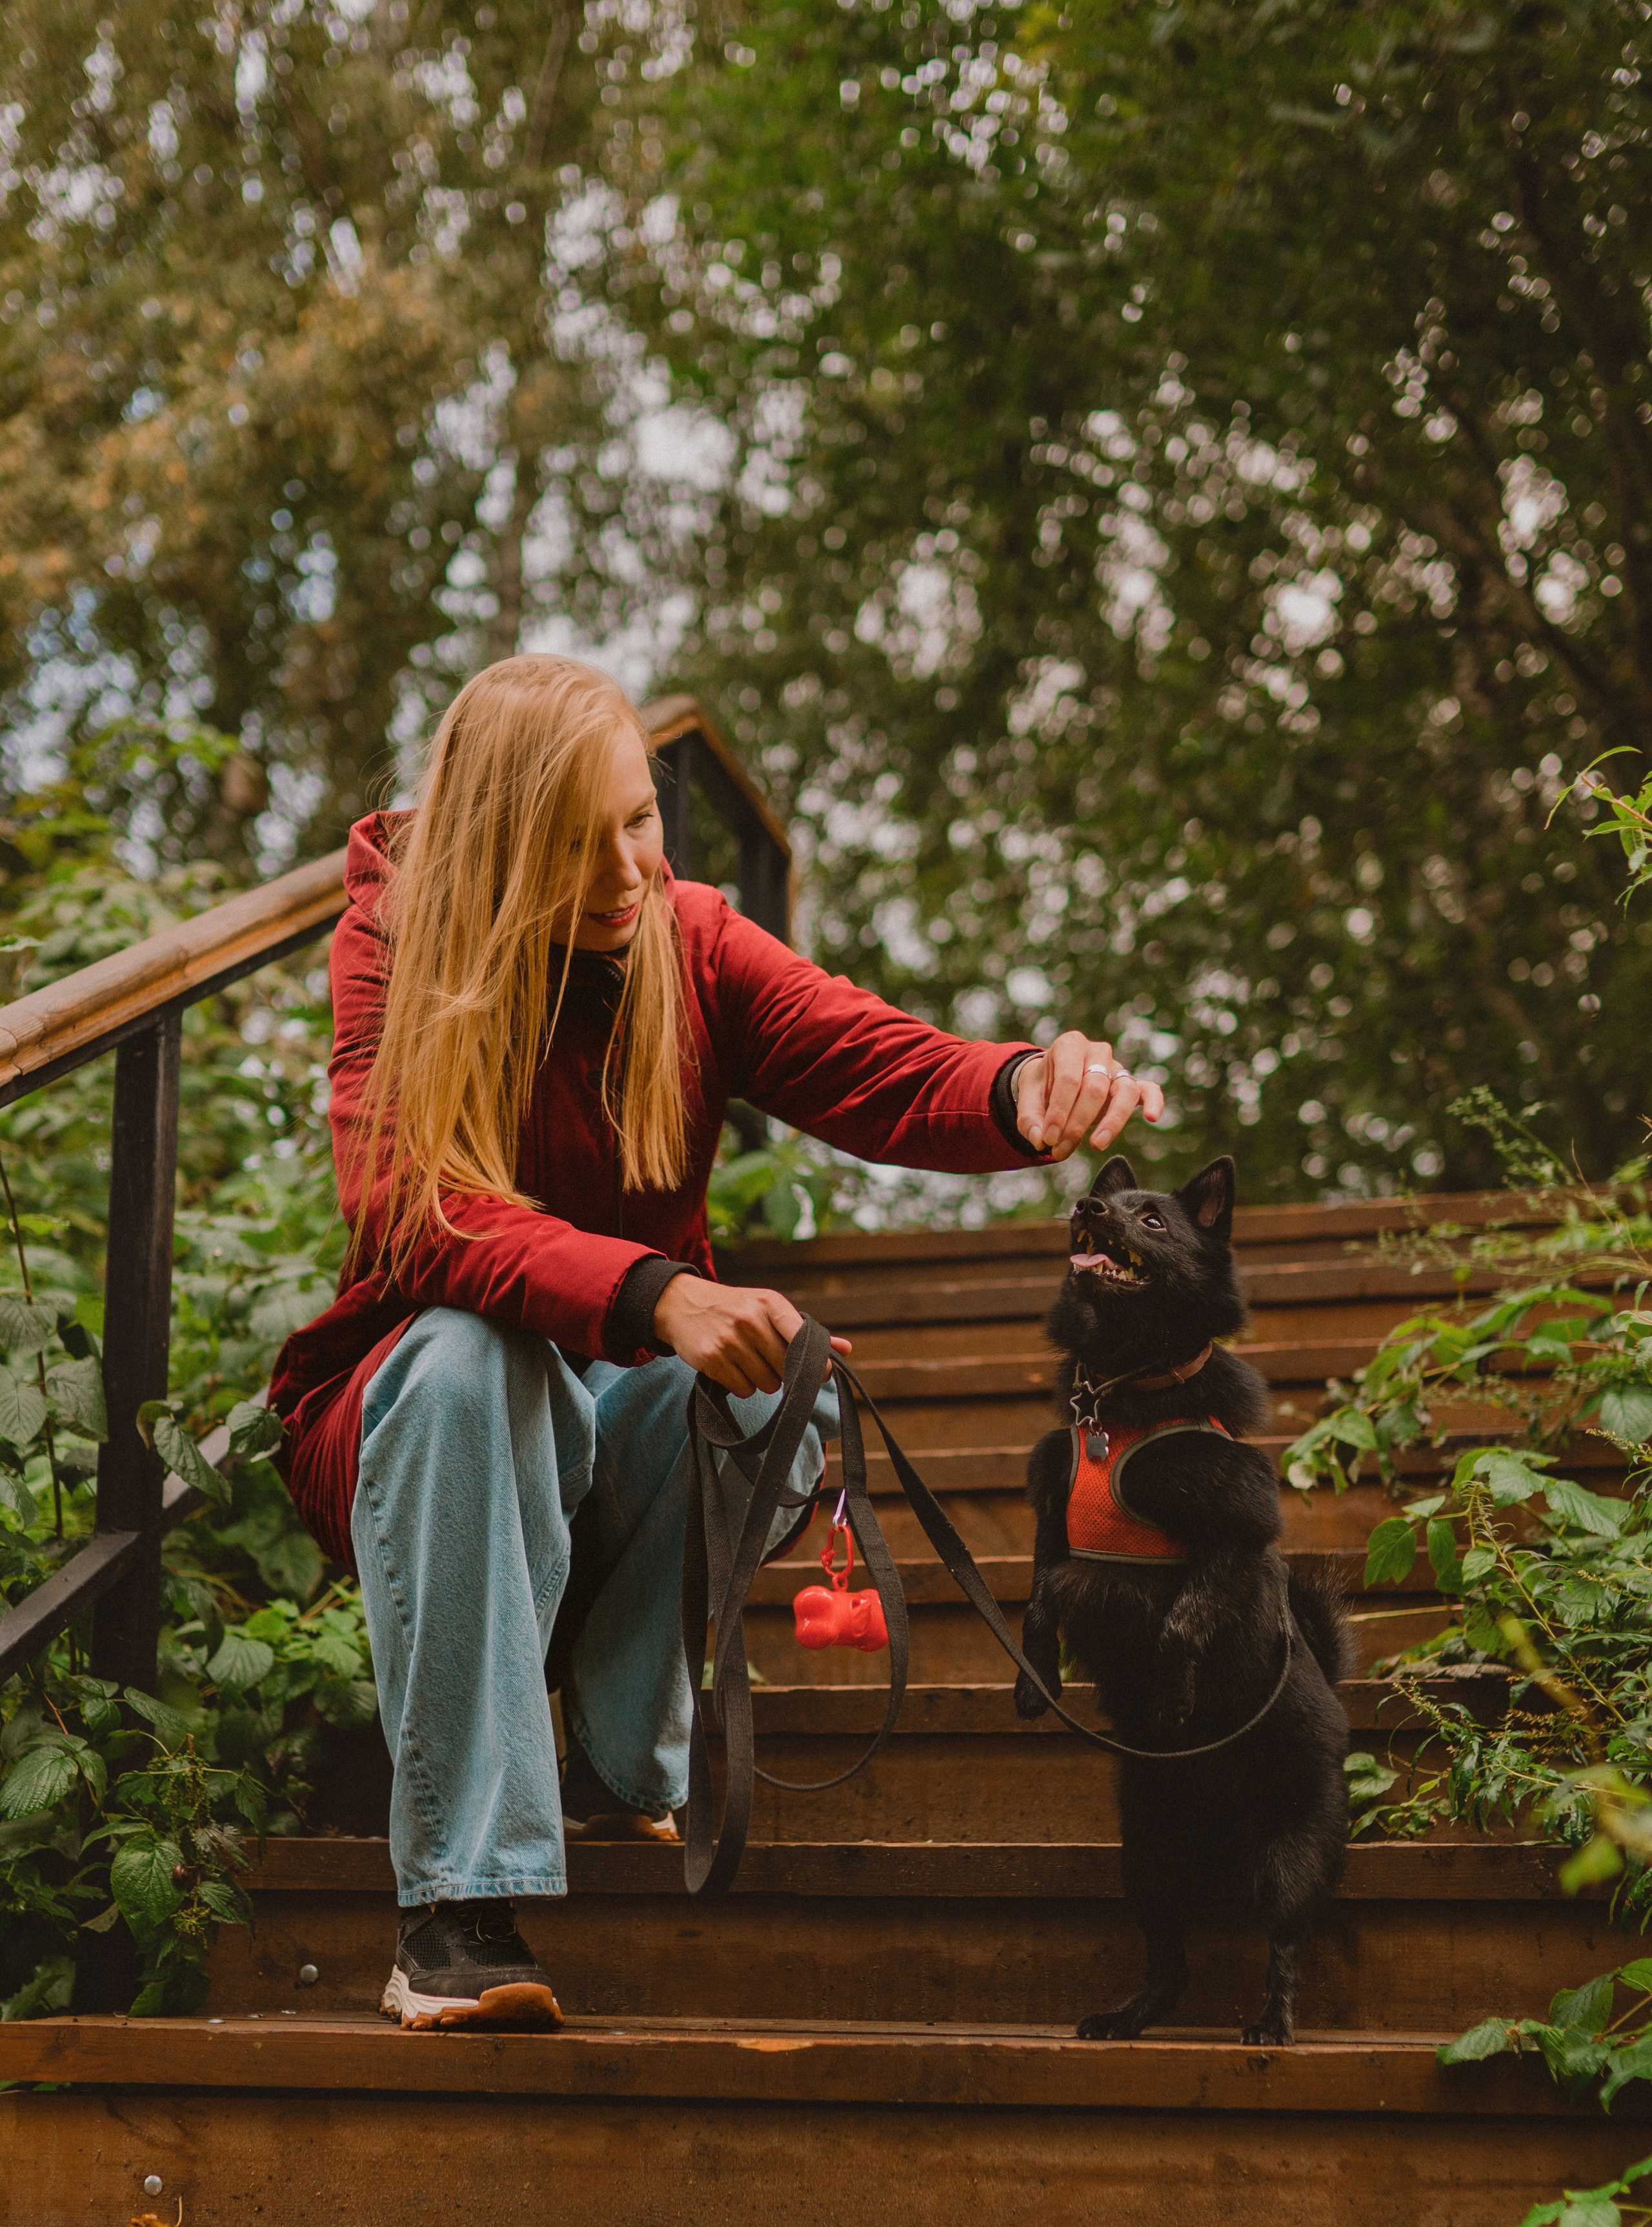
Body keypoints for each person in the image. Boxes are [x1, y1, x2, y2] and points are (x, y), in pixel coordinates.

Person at [271, 655, 1164, 2029]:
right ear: (499, 854)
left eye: (637, 818)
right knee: (474, 1357)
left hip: (605, 1403)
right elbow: (416, 1210)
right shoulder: (399, 941)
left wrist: (1018, 1085)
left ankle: (619, 1768)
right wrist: (652, 1292)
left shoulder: (686, 939)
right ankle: (454, 1903)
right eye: (575, 846)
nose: (627, 866)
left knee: (777, 1397)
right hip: (418, 1413)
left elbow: (874, 1059)